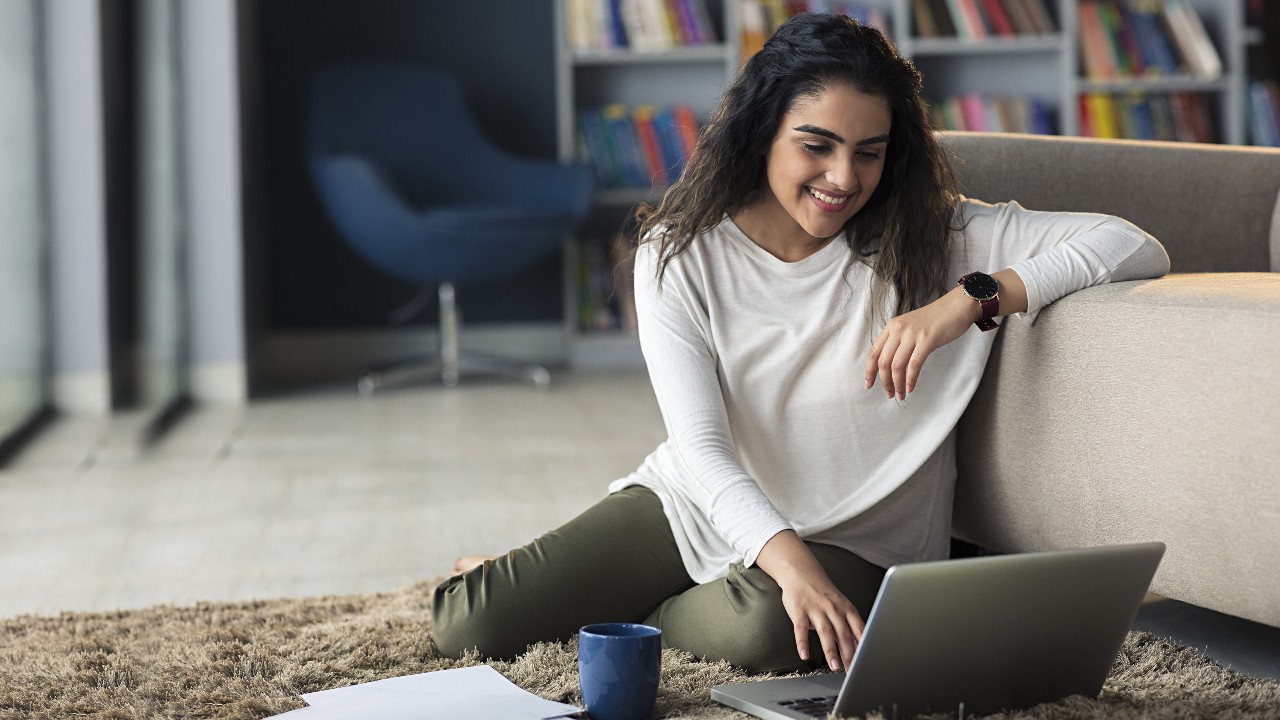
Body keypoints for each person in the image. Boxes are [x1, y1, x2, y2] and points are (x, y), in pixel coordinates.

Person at [432, 12, 1169, 675]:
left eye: (870, 152)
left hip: (859, 541)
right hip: (699, 503)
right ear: (761, 134)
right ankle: (610, 591)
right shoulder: (678, 253)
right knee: (469, 624)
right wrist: (784, 561)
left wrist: (965, 302)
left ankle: (632, 619)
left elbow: (1134, 244)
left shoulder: (942, 235)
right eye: (816, 145)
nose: (844, 178)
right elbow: (703, 449)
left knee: (767, 631)